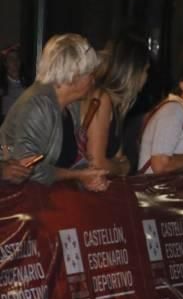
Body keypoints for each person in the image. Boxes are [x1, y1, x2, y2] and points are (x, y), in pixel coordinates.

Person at [0, 34, 108, 191]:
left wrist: (87, 176)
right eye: (90, 73)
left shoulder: (71, 105)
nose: (93, 80)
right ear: (74, 75)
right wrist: (77, 175)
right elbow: (29, 171)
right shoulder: (38, 105)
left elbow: (68, 161)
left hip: (46, 199)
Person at [78, 36, 150, 176]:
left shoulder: (115, 105)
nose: (147, 77)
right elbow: (97, 163)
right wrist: (123, 169)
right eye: (146, 70)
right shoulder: (101, 99)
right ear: (132, 72)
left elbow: (117, 158)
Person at [1, 45, 28, 121]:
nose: (15, 62)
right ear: (5, 63)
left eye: (17, 58)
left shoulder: (29, 83)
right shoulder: (2, 87)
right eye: (11, 59)